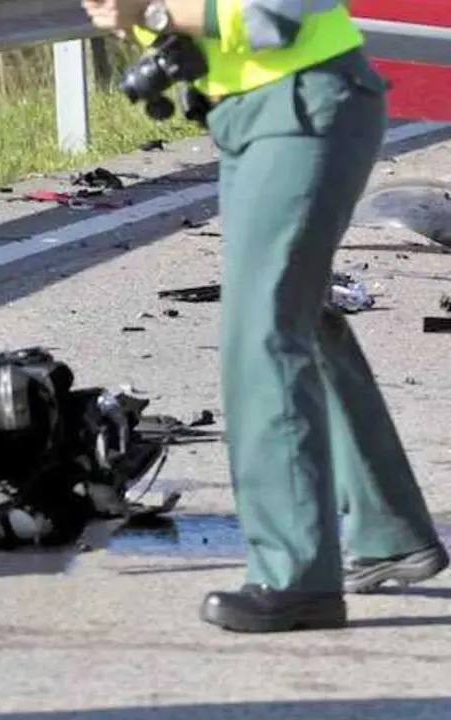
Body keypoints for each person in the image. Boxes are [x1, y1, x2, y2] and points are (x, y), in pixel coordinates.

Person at [79, 0, 449, 633]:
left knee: (264, 336)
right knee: (300, 320)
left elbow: (271, 14)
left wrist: (156, 14)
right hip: (262, 115)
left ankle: (296, 577)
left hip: (306, 109)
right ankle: (389, 531)